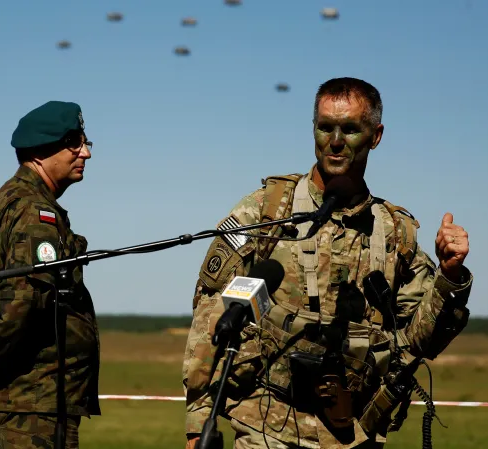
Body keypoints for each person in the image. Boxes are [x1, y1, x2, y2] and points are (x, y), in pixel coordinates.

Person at [182, 77, 472, 449]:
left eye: (350, 129)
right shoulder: (268, 210)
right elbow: (212, 312)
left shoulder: (396, 232)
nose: (335, 141)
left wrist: (449, 275)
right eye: (325, 127)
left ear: (375, 135)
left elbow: (419, 341)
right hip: (264, 425)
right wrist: (198, 422)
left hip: (353, 433)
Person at [0, 101, 100, 449]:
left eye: (85, 142)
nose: (85, 152)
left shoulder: (0, 204)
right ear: (40, 152)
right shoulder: (34, 213)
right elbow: (21, 307)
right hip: (34, 403)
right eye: (74, 143)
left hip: (19, 403)